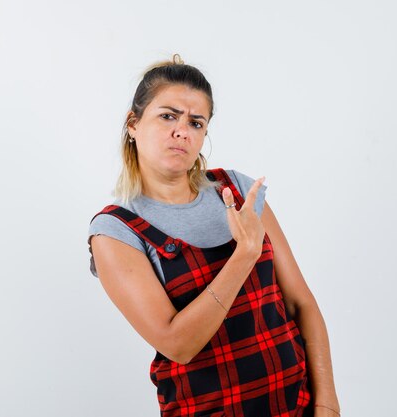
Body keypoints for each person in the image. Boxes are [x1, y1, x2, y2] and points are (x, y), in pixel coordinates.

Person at [87, 54, 340, 417]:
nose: (182, 131)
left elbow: (302, 304)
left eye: (196, 122)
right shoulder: (116, 231)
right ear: (133, 123)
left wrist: (327, 404)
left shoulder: (238, 191)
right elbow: (179, 344)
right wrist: (244, 255)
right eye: (168, 116)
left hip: (295, 406)